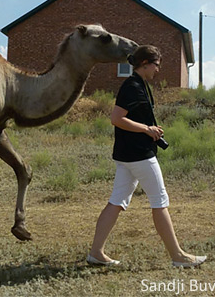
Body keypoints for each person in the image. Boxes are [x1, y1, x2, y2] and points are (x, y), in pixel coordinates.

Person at [87, 45, 206, 268]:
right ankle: (178, 256)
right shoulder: (132, 86)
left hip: (127, 155)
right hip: (138, 155)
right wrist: (146, 129)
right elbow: (116, 118)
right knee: (160, 201)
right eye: (156, 65)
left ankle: (96, 253)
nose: (158, 70)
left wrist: (148, 129)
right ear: (144, 64)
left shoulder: (138, 84)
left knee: (116, 202)